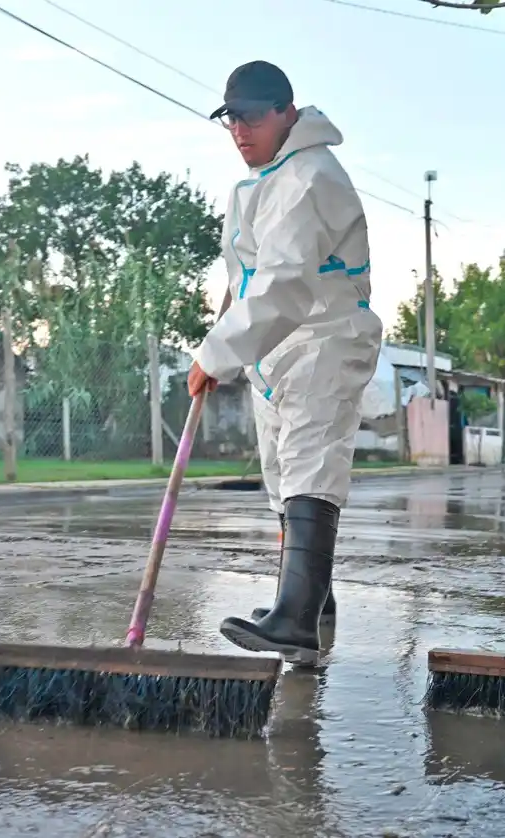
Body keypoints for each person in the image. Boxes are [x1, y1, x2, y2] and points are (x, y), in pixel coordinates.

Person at [187, 61, 383, 665]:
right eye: (231, 120)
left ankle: (295, 618)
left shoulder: (310, 176)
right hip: (278, 355)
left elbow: (284, 285)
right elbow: (251, 277)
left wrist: (214, 354)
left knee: (308, 468)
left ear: (284, 112)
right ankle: (307, 608)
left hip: (323, 339)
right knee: (283, 478)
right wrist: (231, 326)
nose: (239, 131)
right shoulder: (259, 182)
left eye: (250, 117)